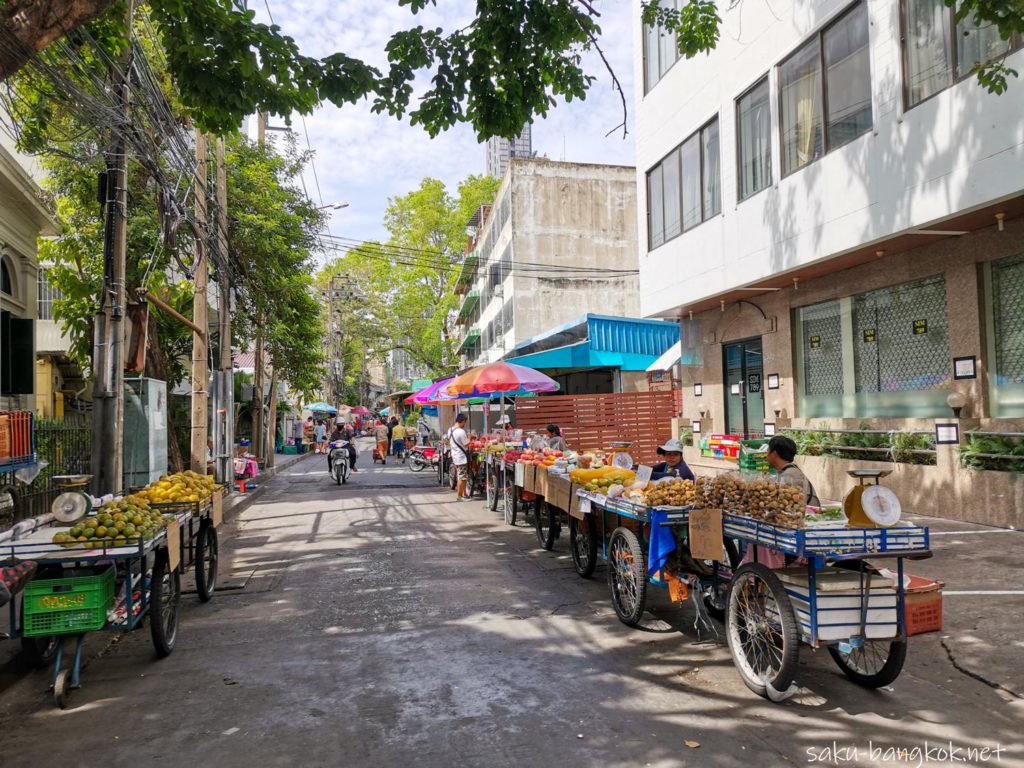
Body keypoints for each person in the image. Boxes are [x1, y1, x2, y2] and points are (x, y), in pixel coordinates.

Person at [767, 435, 820, 506]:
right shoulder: (789, 470)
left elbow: (785, 505)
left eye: (768, 451)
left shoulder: (789, 475)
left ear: (774, 454)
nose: (766, 455)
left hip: (807, 515)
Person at [447, 413, 471, 501]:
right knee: (462, 477)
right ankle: (460, 496)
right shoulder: (461, 431)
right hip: (461, 457)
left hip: (455, 455)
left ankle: (464, 494)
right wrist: (470, 438)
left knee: (460, 475)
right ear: (463, 421)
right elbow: (466, 443)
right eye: (465, 422)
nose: (465, 424)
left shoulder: (450, 430)